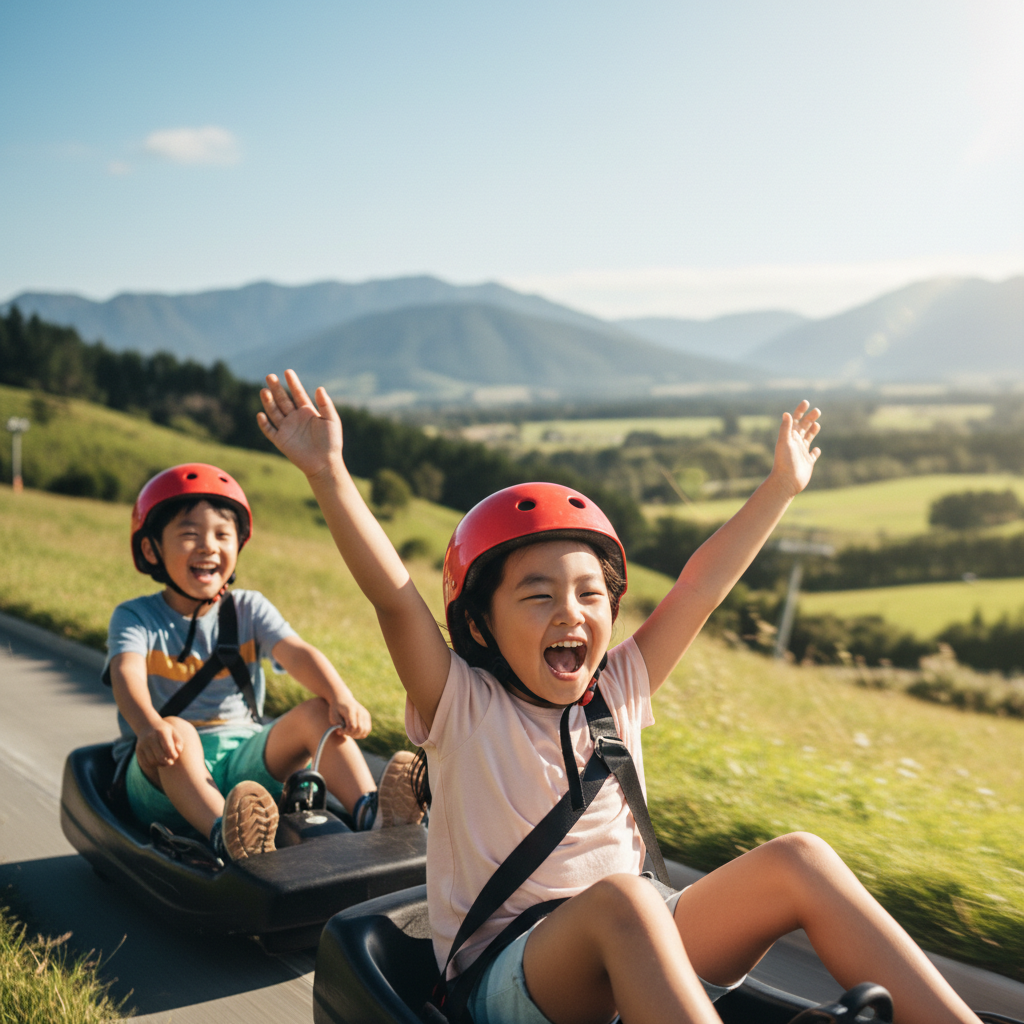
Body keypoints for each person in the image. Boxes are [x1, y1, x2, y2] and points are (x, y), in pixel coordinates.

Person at [257, 369, 979, 1024]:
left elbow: (699, 586)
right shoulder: (461, 703)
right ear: (479, 623)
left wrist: (780, 488)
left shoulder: (620, 686)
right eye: (537, 596)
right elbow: (392, 596)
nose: (570, 614)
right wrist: (329, 474)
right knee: (626, 902)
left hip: (644, 932)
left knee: (800, 857)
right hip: (512, 978)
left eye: (590, 594)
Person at [105, 462, 424, 863]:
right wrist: (148, 726)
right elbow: (126, 674)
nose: (208, 546)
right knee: (177, 732)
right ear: (152, 549)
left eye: (222, 535)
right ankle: (227, 836)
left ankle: (376, 813)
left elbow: (297, 653)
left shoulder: (248, 608)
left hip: (244, 764)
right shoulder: (136, 617)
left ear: (238, 546)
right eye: (190, 534)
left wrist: (339, 696)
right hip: (163, 771)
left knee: (316, 714)